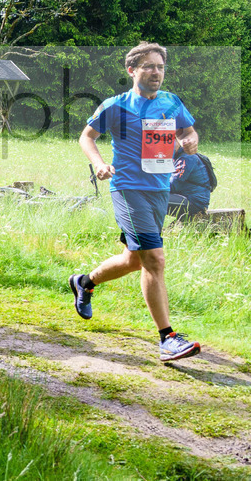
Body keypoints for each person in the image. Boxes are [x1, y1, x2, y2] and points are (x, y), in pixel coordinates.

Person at [70, 42, 201, 362]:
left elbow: (188, 130)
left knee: (134, 260)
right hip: (128, 190)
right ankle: (167, 338)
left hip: (159, 189)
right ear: (132, 70)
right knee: (154, 259)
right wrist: (100, 164)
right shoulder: (116, 105)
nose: (156, 72)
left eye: (160, 67)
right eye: (149, 66)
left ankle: (84, 283)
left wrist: (190, 138)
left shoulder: (172, 102)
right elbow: (86, 136)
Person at [168, 144, 211, 222]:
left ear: (178, 141)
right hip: (186, 198)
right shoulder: (177, 156)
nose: (168, 144)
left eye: (171, 140)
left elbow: (173, 186)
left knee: (153, 199)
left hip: (195, 203)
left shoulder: (187, 158)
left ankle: (151, 230)